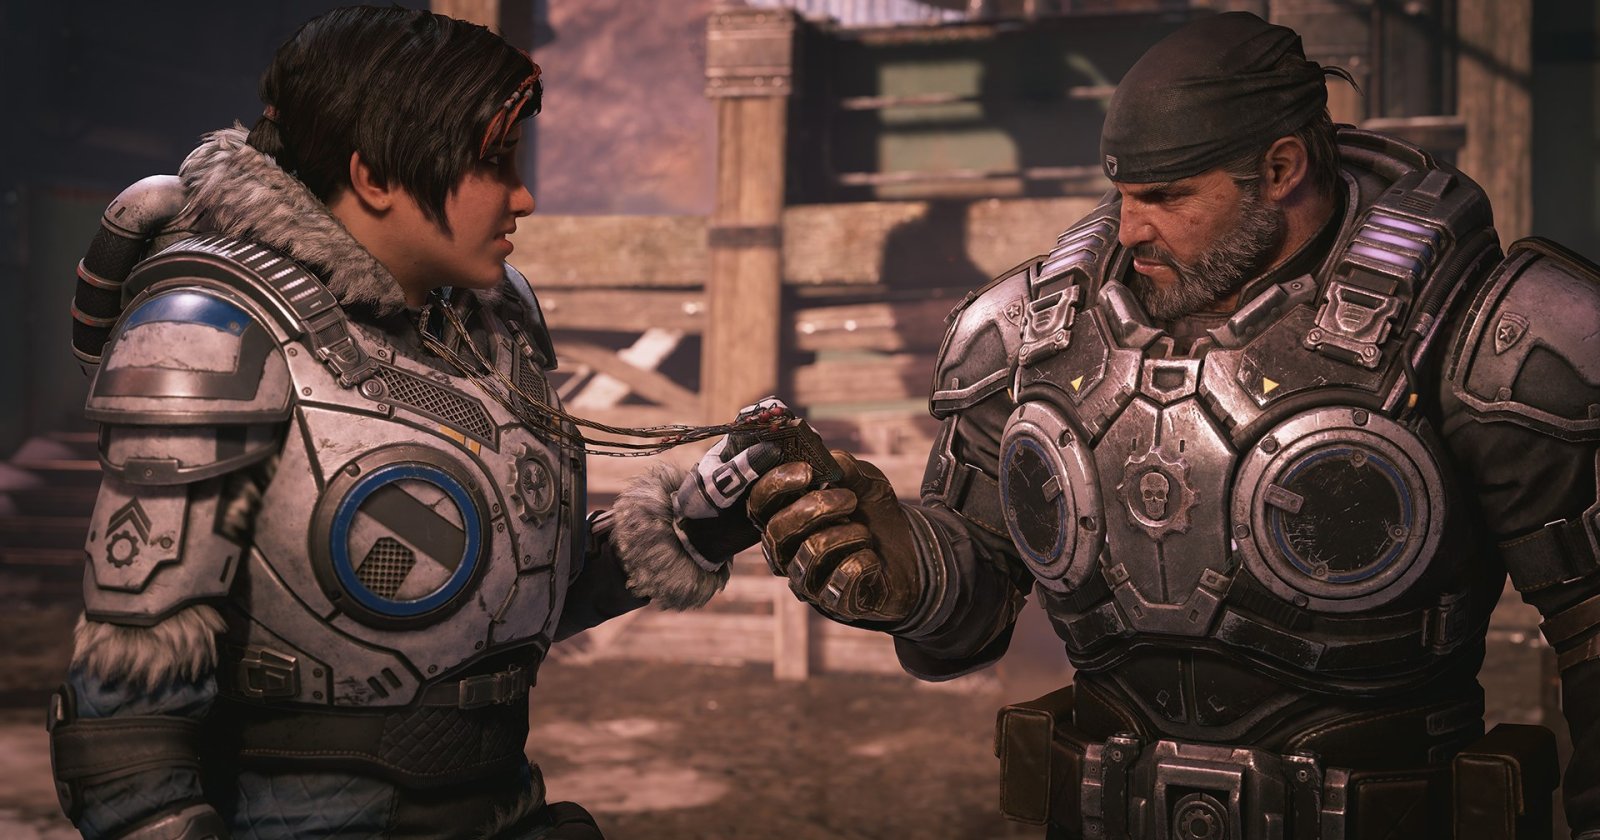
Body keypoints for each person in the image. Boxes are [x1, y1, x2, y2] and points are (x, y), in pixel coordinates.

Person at [746, 11, 1600, 839]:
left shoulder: (1490, 336)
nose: (1130, 229)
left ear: (1281, 168)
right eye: (1122, 195)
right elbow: (972, 606)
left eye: (1165, 196)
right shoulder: (1030, 336)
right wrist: (904, 568)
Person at [49, 7, 777, 839]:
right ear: (375, 176)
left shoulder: (488, 326)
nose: (524, 197)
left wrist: (694, 523)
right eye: (493, 164)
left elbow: (492, 608)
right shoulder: (211, 335)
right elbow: (126, 734)